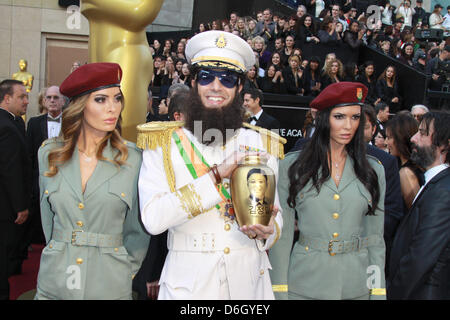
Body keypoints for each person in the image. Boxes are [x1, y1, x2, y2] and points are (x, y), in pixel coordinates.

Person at [137, 30, 284, 300]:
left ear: (240, 87)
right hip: (189, 288)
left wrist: (268, 230)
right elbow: (153, 219)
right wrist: (216, 176)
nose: (216, 86)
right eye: (206, 76)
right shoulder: (163, 142)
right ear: (193, 82)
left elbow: (276, 218)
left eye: (228, 79)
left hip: (249, 286)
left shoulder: (260, 142)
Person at [34, 63, 149, 300]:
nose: (112, 108)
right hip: (54, 282)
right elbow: (49, 223)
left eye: (117, 99)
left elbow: (138, 232)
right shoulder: (48, 154)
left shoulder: (133, 158)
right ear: (79, 106)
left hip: (109, 285)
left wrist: (122, 272)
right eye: (100, 100)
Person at [269, 82, 386, 300]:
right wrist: (279, 292)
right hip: (304, 284)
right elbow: (282, 237)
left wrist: (377, 292)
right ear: (323, 119)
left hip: (356, 286)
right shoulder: (292, 167)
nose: (349, 126)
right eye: (339, 117)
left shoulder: (373, 171)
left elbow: (375, 239)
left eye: (355, 117)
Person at [388, 111, 450, 299]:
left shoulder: (443, 192)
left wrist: (392, 293)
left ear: (444, 145)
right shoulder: (436, 183)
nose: (413, 138)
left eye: (423, 133)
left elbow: (421, 257)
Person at [362, 105, 404, 278]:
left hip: (368, 254)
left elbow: (392, 211)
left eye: (363, 127)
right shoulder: (327, 156)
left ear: (373, 130)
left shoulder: (385, 162)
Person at [0, 80, 31, 300]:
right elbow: (11, 171)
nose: (26, 101)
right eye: (21, 96)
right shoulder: (7, 128)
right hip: (6, 209)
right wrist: (21, 206)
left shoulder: (13, 123)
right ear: (7, 98)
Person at [26, 86, 65, 247]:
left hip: (64, 179)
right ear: (43, 101)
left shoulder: (72, 123)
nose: (52, 101)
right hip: (40, 180)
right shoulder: (34, 123)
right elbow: (29, 154)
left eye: (56, 97)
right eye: (49, 98)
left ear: (63, 101)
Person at [385, 113, 424, 210]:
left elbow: (415, 212)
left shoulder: (406, 173)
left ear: (401, 139)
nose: (386, 142)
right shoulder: (412, 166)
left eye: (389, 138)